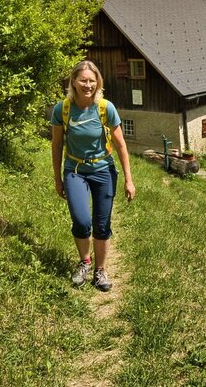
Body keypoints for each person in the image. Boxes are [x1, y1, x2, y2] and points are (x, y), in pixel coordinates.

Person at [51, 60, 135, 291]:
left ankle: (100, 271)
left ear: (98, 82)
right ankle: (85, 262)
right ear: (74, 82)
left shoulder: (105, 107)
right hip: (75, 171)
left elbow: (120, 146)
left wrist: (129, 179)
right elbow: (57, 146)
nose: (88, 85)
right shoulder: (63, 109)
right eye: (83, 80)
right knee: (81, 220)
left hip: (103, 171)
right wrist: (58, 179)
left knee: (101, 224)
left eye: (92, 80)